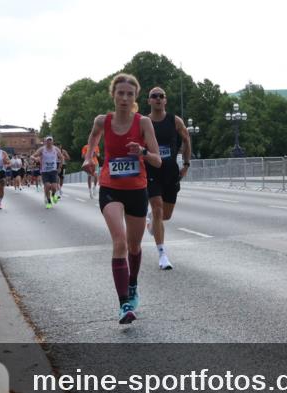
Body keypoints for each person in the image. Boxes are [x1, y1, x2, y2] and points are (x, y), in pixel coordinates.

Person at [82, 73, 162, 324]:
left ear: (135, 97)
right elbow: (93, 139)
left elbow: (157, 160)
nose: (125, 98)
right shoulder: (102, 121)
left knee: (134, 246)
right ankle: (124, 303)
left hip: (137, 189)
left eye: (130, 94)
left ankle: (133, 285)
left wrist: (143, 151)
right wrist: (88, 158)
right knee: (119, 242)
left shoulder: (143, 123)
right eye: (120, 93)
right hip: (110, 187)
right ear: (113, 95)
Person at [144, 87, 192, 270]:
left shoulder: (175, 121)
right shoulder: (144, 122)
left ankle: (152, 223)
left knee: (166, 215)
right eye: (153, 96)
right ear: (149, 101)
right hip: (151, 171)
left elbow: (187, 140)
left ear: (166, 100)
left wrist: (186, 164)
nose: (157, 98)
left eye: (161, 96)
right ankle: (162, 254)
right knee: (157, 208)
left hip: (171, 171)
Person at [32, 137, 63, 208]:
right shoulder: (42, 149)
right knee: (47, 186)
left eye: (50, 141)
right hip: (45, 171)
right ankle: (49, 202)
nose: (49, 142)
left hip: (53, 170)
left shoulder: (56, 149)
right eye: (47, 141)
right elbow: (34, 155)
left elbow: (61, 157)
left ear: (52, 142)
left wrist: (60, 167)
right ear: (45, 142)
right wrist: (34, 158)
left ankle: (53, 195)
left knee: (54, 187)